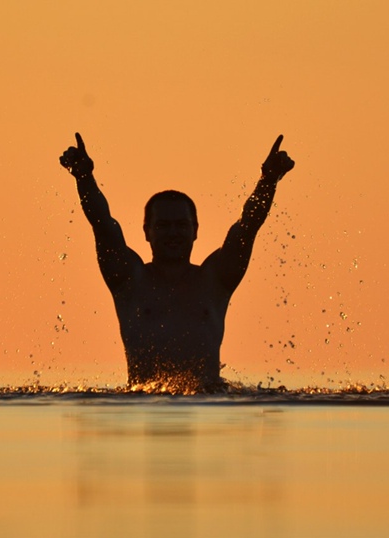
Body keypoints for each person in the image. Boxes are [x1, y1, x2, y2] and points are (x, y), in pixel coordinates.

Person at [59, 133, 294, 392]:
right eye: (163, 226)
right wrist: (83, 178)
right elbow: (103, 224)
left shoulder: (215, 280)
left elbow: (248, 226)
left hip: (209, 405)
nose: (173, 233)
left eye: (181, 225)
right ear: (147, 231)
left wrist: (269, 180)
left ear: (195, 230)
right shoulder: (129, 280)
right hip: (142, 400)